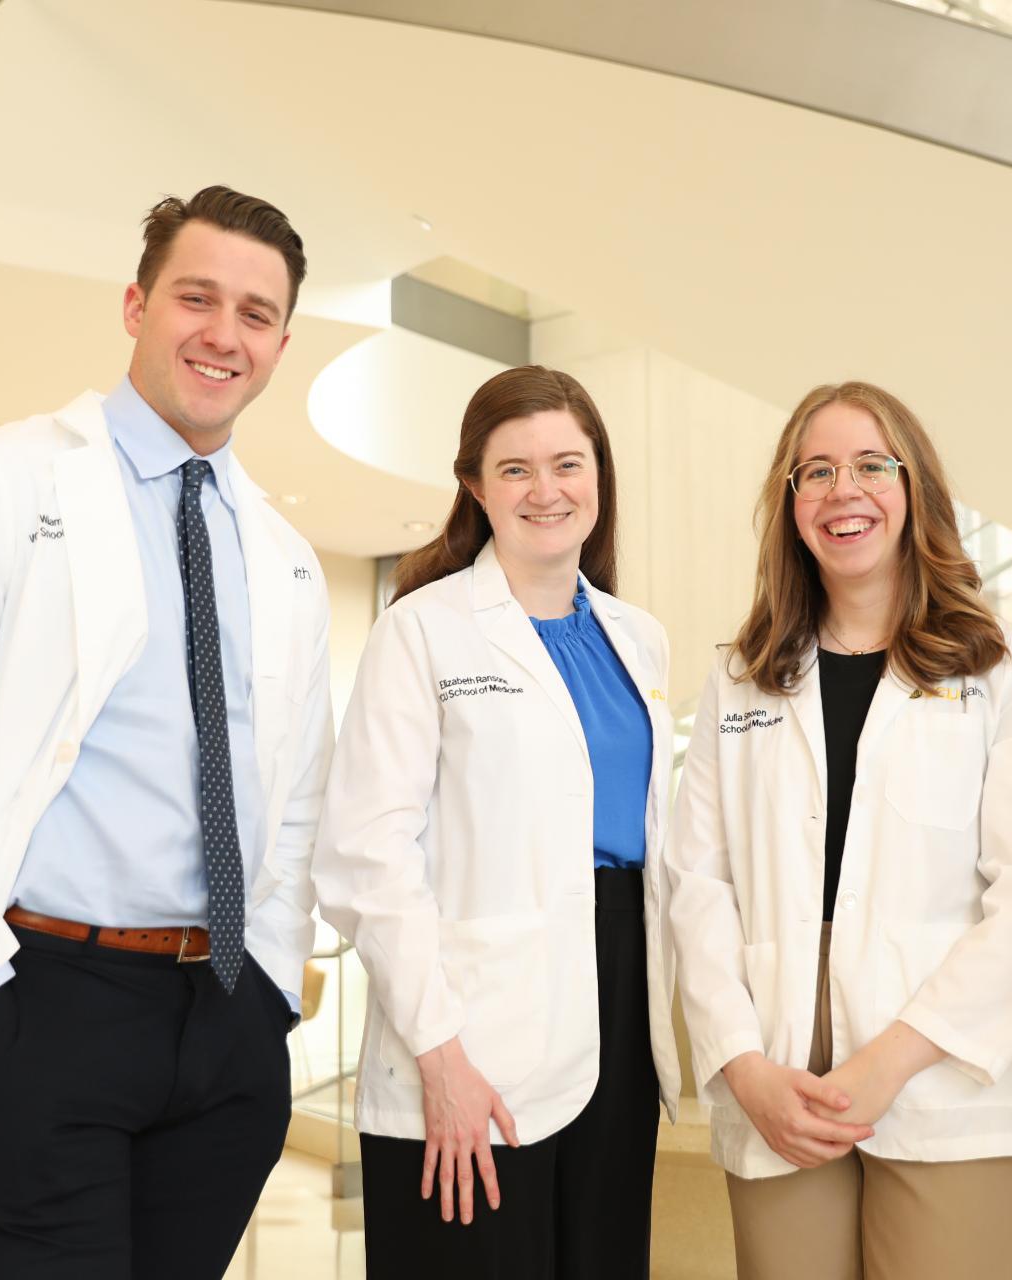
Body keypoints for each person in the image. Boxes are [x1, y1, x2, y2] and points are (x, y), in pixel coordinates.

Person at [0, 186, 331, 1278]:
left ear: (282, 341)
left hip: (221, 1018)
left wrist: (268, 990)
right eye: (197, 296)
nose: (223, 333)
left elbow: (298, 793)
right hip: (29, 999)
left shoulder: (281, 553)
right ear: (136, 303)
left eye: (256, 311)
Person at [664, 381, 1012, 1279]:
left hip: (940, 1054)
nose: (841, 490)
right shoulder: (741, 678)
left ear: (913, 486)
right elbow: (696, 889)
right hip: (779, 1066)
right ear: (789, 504)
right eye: (815, 472)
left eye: (869, 466)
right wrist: (741, 1062)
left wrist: (888, 1065)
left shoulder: (1001, 666)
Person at [311, 365, 681, 1278]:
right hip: (468, 1024)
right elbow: (365, 858)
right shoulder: (422, 629)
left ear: (600, 475)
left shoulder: (638, 637)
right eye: (515, 469)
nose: (546, 490)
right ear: (475, 486)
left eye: (568, 462)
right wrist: (441, 1055)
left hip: (618, 998)